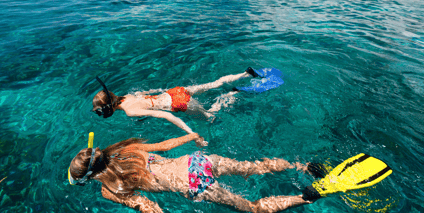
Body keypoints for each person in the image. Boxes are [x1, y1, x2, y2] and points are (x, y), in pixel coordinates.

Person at [67, 133, 312, 213]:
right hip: (197, 161)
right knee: (254, 167)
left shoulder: (109, 189)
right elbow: (165, 145)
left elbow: (148, 207)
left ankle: (306, 198)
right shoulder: (127, 149)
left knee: (253, 208)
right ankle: (301, 166)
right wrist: (192, 136)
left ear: (90, 177)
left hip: (194, 184)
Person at [92, 67, 265, 146]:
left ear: (108, 109)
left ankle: (232, 94)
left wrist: (192, 135)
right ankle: (245, 73)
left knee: (211, 116)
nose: (101, 114)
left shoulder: (130, 111)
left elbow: (167, 116)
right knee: (213, 84)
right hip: (173, 92)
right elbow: (148, 93)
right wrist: (162, 91)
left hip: (178, 103)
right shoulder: (126, 97)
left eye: (101, 111)